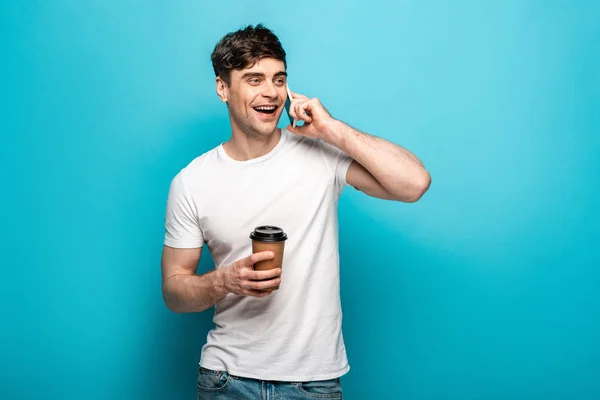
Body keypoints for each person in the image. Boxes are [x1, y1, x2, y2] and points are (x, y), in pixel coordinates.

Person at [161, 24, 431, 400]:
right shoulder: (191, 181)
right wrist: (223, 282)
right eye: (254, 79)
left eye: (278, 79)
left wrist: (332, 129)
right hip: (226, 380)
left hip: (313, 383)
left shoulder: (319, 154)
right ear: (223, 88)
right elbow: (174, 290)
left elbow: (415, 182)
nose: (270, 91)